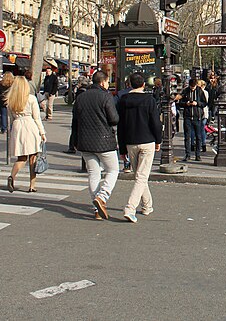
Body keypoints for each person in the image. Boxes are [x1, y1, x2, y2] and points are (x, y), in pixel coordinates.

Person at [70, 70, 119, 220]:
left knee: (93, 173)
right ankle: (102, 197)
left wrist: (75, 141)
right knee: (113, 169)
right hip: (104, 140)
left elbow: (75, 121)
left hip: (84, 140)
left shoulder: (81, 97)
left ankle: (96, 209)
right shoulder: (105, 96)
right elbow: (114, 119)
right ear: (103, 82)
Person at [116, 73, 162, 223]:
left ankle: (147, 205)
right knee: (141, 177)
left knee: (139, 176)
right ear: (143, 85)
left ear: (129, 84)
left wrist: (122, 148)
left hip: (130, 141)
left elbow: (120, 126)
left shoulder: (123, 100)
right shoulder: (149, 100)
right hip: (147, 140)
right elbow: (155, 122)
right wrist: (158, 140)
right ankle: (130, 208)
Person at [6, 76, 46, 193]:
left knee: (21, 158)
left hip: (18, 126)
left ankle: (12, 176)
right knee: (33, 157)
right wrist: (42, 132)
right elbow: (37, 118)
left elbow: (11, 117)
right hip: (30, 125)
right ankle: (32, 185)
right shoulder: (31, 99)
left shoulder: (11, 100)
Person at [180, 78, 206, 161]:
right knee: (187, 136)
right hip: (187, 116)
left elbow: (205, 103)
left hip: (197, 117)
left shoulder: (200, 91)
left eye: (193, 87)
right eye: (191, 87)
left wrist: (197, 103)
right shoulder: (185, 91)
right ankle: (187, 154)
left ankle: (197, 155)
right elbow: (180, 102)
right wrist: (186, 103)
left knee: (198, 137)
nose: (192, 89)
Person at [64, 76, 90, 154]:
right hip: (85, 113)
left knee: (75, 130)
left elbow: (77, 103)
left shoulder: (80, 91)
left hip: (78, 113)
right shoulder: (88, 90)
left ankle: (72, 147)